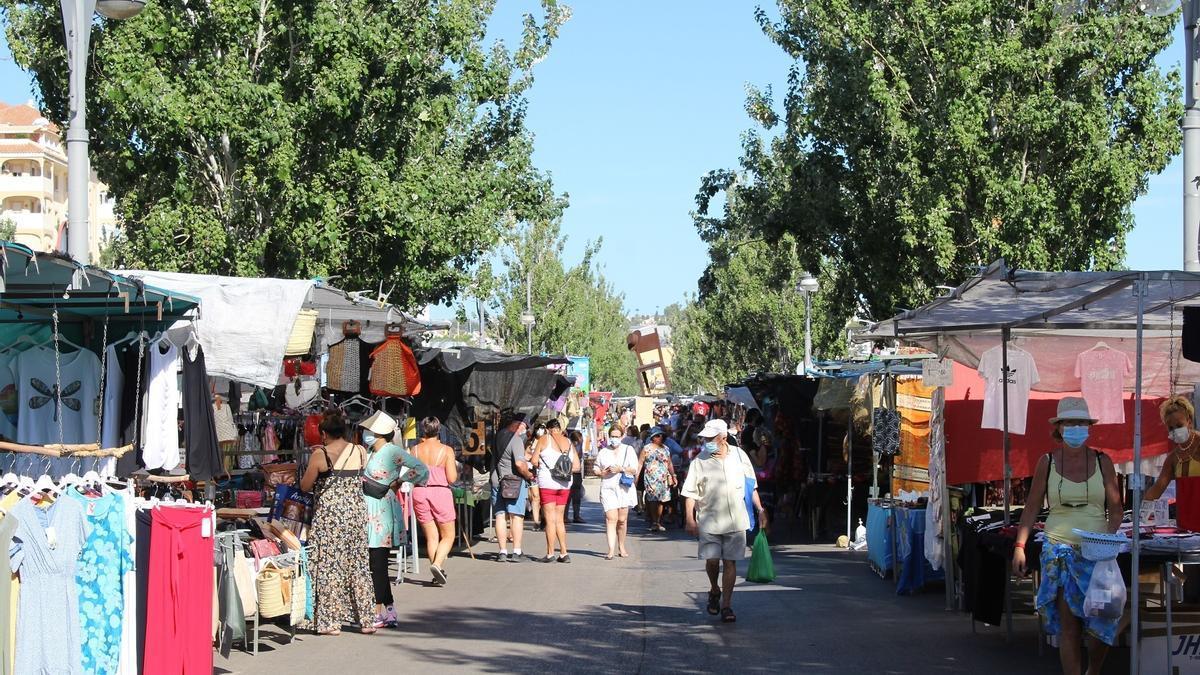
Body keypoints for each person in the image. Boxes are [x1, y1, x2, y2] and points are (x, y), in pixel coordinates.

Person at [1012, 398, 1123, 675]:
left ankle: (1093, 670)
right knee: (1069, 625)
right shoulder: (1046, 462)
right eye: (1070, 423)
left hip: (1097, 553)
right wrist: (1020, 545)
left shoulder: (1103, 461)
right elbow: (1032, 506)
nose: (1076, 428)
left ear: (1089, 427)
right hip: (1059, 549)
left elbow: (1117, 508)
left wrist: (1108, 538)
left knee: (1103, 621)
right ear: (1059, 428)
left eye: (1081, 423)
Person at [300, 410, 378, 635]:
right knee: (359, 566)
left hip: (330, 516)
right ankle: (366, 620)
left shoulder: (320, 454)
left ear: (324, 433)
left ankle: (329, 622)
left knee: (329, 567)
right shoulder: (361, 451)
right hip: (356, 513)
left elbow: (305, 486)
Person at [682, 418, 764, 624]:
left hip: (736, 520)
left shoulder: (740, 456)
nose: (707, 441)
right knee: (711, 561)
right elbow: (690, 493)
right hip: (709, 520)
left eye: (711, 438)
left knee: (730, 562)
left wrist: (760, 509)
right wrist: (689, 519)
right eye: (705, 438)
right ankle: (714, 588)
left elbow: (750, 485)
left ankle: (726, 605)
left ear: (723, 437)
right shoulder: (699, 461)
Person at [360, 410, 429, 627]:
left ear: (379, 433)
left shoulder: (392, 452)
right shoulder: (369, 452)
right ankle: (387, 609)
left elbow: (420, 468)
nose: (366, 434)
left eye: (369, 431)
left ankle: (380, 610)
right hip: (369, 507)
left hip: (382, 508)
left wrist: (398, 482)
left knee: (377, 562)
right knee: (374, 561)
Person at [410, 417, 459, 586]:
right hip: (440, 491)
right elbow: (452, 478)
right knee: (448, 535)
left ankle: (436, 571)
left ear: (423, 430)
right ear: (439, 430)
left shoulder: (414, 450)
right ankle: (437, 565)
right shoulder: (446, 450)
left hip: (419, 491)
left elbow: (410, 474)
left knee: (431, 536)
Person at [530, 419, 581, 562]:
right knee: (560, 519)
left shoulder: (544, 439)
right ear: (559, 428)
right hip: (564, 484)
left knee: (550, 520)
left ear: (548, 429)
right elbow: (577, 466)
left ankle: (550, 553)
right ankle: (564, 552)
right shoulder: (569, 443)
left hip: (548, 484)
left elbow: (534, 461)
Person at [492, 413, 535, 562]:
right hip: (513, 483)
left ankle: (502, 552)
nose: (524, 430)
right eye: (524, 426)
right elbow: (519, 464)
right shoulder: (515, 439)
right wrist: (528, 475)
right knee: (516, 516)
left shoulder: (498, 436)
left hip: (496, 480)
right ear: (518, 424)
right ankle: (516, 551)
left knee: (500, 515)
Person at [1145, 395, 1200, 502]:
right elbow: (1157, 489)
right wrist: (1142, 508)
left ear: (1189, 422)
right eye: (1171, 428)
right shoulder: (1173, 458)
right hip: (1186, 515)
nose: (1175, 430)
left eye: (1179, 425)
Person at [596, 426, 639, 559]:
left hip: (623, 488)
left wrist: (621, 469)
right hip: (608, 488)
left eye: (617, 436)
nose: (614, 439)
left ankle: (621, 545)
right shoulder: (603, 452)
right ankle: (611, 550)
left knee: (621, 520)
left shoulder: (628, 449)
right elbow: (596, 468)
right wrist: (601, 472)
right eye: (612, 436)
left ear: (622, 436)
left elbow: (635, 469)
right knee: (611, 519)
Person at [639, 427, 677, 532]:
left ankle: (658, 521)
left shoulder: (666, 449)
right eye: (657, 435)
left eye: (661, 435)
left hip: (663, 478)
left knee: (661, 500)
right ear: (652, 437)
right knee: (652, 500)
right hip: (650, 478)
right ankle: (654, 521)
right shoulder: (647, 448)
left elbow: (669, 463)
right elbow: (640, 463)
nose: (660, 437)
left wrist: (673, 475)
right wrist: (636, 477)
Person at [526, 424, 545, 532]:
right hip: (532, 472)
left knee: (542, 497)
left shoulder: (547, 442)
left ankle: (544, 519)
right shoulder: (530, 442)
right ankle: (536, 521)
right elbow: (524, 454)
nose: (540, 430)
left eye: (542, 428)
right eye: (538, 428)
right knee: (535, 497)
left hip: (544, 473)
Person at [567, 429, 586, 523]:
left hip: (577, 473)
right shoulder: (569, 446)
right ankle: (566, 516)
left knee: (576, 495)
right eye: (580, 439)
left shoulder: (579, 445)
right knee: (568, 495)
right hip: (570, 472)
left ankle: (576, 515)